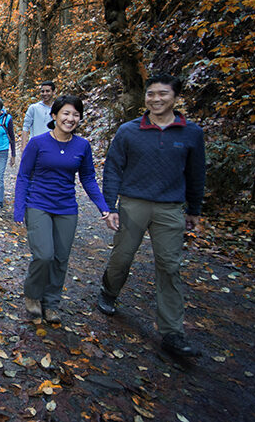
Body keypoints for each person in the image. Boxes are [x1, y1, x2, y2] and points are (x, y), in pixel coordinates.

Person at [96, 74, 206, 358]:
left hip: (170, 208)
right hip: (133, 203)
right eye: (151, 94)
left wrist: (194, 209)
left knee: (169, 266)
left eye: (163, 94)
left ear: (175, 97)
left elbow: (196, 174)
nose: (156, 99)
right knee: (123, 256)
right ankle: (108, 292)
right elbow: (113, 168)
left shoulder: (191, 133)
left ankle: (172, 332)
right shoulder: (129, 131)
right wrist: (109, 206)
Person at [13, 95, 110, 323]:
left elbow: (88, 178)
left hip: (66, 207)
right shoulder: (38, 143)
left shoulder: (82, 146)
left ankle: (52, 302)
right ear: (54, 115)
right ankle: (33, 296)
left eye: (76, 114)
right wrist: (19, 209)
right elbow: (23, 176)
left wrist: (103, 207)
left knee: (60, 258)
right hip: (38, 205)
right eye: (66, 113)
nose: (70, 118)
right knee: (44, 255)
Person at [20, 81, 56, 152]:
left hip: (52, 145)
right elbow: (26, 127)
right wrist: (23, 146)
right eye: (42, 91)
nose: (45, 94)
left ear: (54, 92)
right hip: (35, 145)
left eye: (47, 91)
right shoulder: (33, 108)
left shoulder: (58, 109)